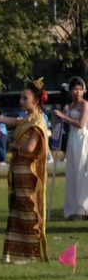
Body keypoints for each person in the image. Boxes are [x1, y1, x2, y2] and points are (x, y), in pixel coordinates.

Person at [0, 84, 51, 263]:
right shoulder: (26, 119)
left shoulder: (38, 121)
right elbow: (6, 120)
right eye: (21, 98)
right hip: (18, 170)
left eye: (25, 98)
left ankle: (30, 253)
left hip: (28, 172)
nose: (21, 101)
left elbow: (30, 148)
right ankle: (16, 253)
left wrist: (15, 146)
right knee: (18, 211)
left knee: (28, 212)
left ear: (36, 101)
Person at [59, 77, 88, 220]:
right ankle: (72, 207)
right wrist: (63, 115)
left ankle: (83, 208)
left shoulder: (84, 104)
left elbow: (81, 123)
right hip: (72, 139)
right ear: (70, 91)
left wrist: (64, 117)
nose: (78, 92)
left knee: (82, 172)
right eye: (75, 89)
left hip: (82, 139)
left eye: (80, 89)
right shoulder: (70, 106)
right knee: (72, 173)